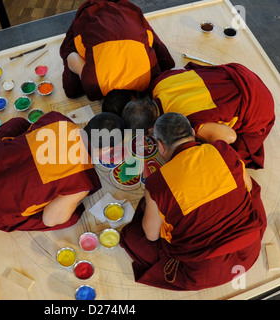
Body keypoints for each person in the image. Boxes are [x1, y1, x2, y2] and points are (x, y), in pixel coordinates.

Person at [120, 112, 267, 291]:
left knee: (132, 237)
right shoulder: (221, 149)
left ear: (160, 145)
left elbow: (151, 235)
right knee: (251, 192)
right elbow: (249, 187)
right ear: (192, 132)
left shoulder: (158, 182)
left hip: (203, 270)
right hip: (248, 251)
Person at [0, 111, 125, 232]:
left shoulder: (58, 119)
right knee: (71, 218)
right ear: (108, 149)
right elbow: (49, 220)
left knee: (19, 123)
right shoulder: (82, 180)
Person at [122, 62, 275, 169]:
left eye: (149, 133)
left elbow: (231, 137)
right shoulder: (158, 83)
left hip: (257, 103)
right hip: (238, 77)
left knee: (225, 159)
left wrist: (203, 137)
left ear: (153, 127)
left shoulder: (185, 122)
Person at [59, 0, 175, 109]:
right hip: (91, 14)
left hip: (121, 13)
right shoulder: (94, 83)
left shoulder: (150, 78)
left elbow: (167, 62)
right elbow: (71, 90)